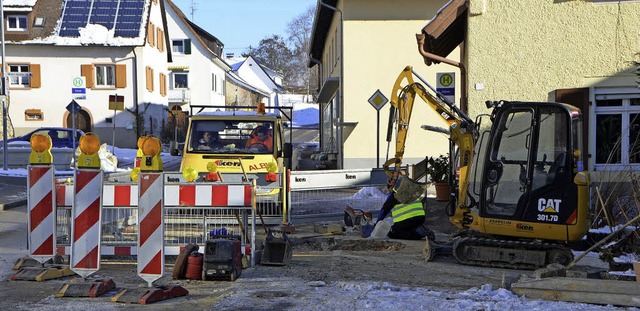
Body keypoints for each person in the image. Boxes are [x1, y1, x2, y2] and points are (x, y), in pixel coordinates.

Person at [376, 173, 434, 240]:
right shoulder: (410, 190)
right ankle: (419, 228)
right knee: (405, 228)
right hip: (420, 218)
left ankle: (419, 232)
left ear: (391, 188)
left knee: (393, 233)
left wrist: (377, 223)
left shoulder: (395, 193)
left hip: (408, 219)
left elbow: (384, 210)